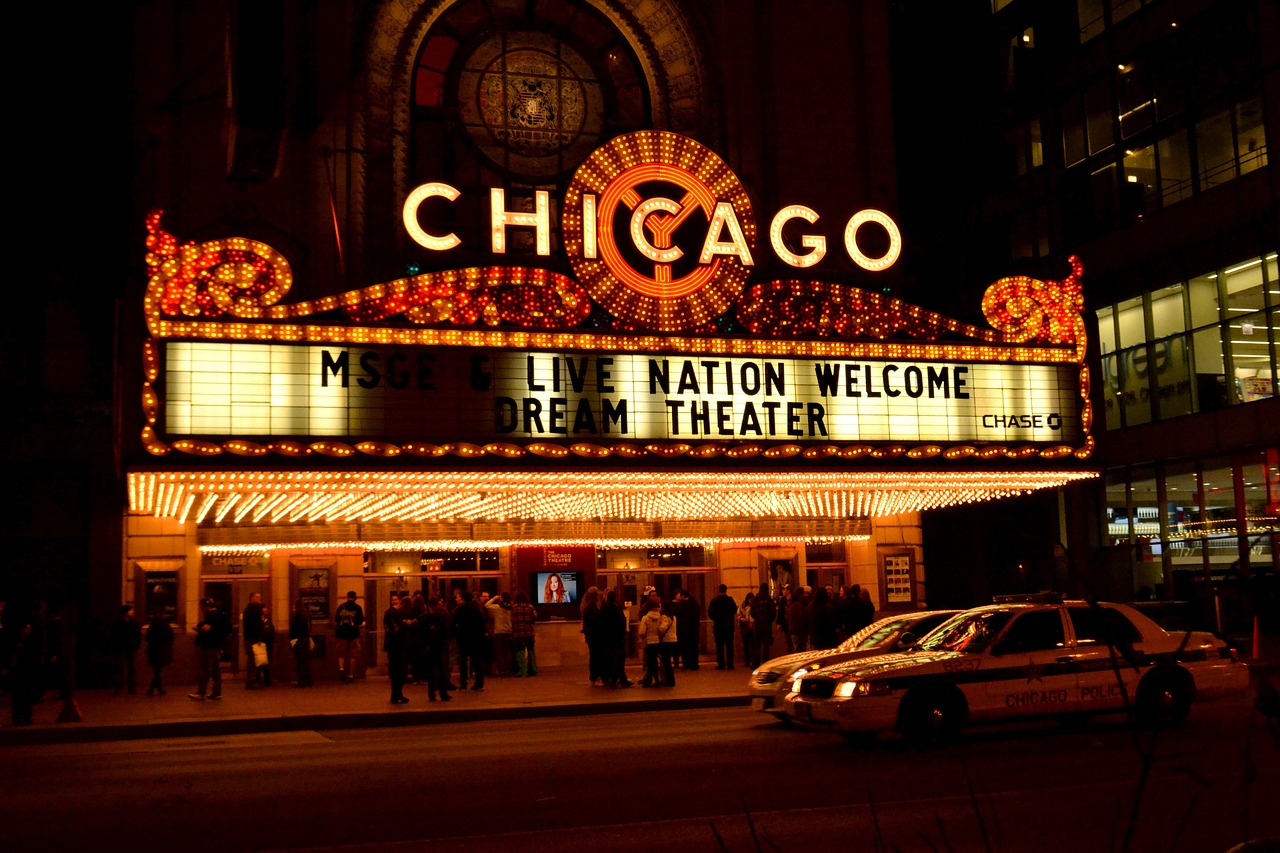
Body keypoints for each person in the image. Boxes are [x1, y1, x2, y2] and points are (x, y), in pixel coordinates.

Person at [190, 597, 230, 700]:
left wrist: (198, 628)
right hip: (218, 646)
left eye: (201, 607)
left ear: (205, 606)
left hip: (209, 647)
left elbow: (206, 629)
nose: (201, 609)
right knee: (216, 670)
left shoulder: (210, 616)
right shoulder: (222, 615)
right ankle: (217, 692)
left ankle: (201, 692)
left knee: (204, 669)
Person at [451, 590, 486, 691]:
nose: (456, 599)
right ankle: (479, 684)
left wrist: (453, 634)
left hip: (463, 639)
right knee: (477, 661)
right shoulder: (476, 609)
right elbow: (481, 624)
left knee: (463, 662)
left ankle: (463, 683)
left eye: (458, 597)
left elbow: (453, 624)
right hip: (476, 639)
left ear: (463, 599)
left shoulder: (459, 610)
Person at [598, 589, 631, 688]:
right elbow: (621, 623)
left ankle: (620, 680)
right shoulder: (617, 609)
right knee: (619, 660)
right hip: (617, 638)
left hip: (608, 638)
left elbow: (602, 624)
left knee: (614, 660)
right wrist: (623, 634)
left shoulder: (604, 609)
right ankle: (617, 680)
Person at [421, 596, 452, 701]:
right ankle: (433, 693)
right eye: (438, 603)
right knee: (432, 671)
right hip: (431, 646)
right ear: (433, 605)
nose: (440, 605)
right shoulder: (426, 617)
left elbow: (445, 630)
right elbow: (422, 633)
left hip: (438, 646)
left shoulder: (439, 616)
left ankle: (441, 693)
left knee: (441, 670)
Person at [108, 604, 142, 695]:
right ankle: (119, 687)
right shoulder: (118, 622)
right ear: (126, 612)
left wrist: (137, 644)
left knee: (131, 668)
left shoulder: (134, 622)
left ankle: (131, 688)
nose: (133, 612)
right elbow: (114, 635)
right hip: (121, 647)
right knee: (120, 668)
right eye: (131, 610)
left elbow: (138, 634)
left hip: (131, 647)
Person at [334, 590, 364, 683]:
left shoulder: (341, 607)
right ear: (355, 598)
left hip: (341, 633)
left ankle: (342, 669)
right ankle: (351, 674)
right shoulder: (358, 608)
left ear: (347, 597)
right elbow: (360, 621)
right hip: (353, 633)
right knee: (353, 654)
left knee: (341, 652)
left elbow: (336, 619)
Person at [638, 596, 669, 687]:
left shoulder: (645, 618)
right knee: (654, 661)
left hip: (649, 642)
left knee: (650, 662)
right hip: (657, 641)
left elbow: (642, 631)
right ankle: (654, 679)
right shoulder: (660, 617)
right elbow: (662, 629)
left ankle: (652, 680)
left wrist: (642, 637)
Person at [384, 593, 408, 704]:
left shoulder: (392, 613)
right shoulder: (392, 613)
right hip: (396, 647)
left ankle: (397, 694)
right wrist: (402, 625)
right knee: (398, 672)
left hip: (395, 646)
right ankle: (396, 695)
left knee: (398, 672)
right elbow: (391, 628)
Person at [707, 584, 737, 670]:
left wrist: (716, 618)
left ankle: (721, 663)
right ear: (726, 590)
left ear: (718, 590)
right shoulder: (730, 600)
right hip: (729, 626)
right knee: (729, 645)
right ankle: (730, 663)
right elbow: (734, 610)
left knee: (719, 646)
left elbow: (710, 613)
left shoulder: (714, 601)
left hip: (718, 626)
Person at [144, 612, 174, 695]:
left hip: (153, 650)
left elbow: (147, 637)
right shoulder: (166, 626)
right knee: (158, 670)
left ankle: (153, 688)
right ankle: (156, 688)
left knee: (157, 670)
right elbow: (171, 637)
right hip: (162, 650)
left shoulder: (152, 626)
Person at [241, 592, 265, 690]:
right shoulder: (253, 611)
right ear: (252, 598)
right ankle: (250, 682)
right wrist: (259, 637)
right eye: (257, 597)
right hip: (253, 639)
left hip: (250, 638)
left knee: (253, 660)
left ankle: (251, 680)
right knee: (253, 660)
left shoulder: (250, 610)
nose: (259, 598)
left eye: (260, 597)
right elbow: (255, 626)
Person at [511, 591, 538, 676]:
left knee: (520, 652)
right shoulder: (530, 607)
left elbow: (511, 619)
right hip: (529, 632)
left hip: (518, 633)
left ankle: (522, 671)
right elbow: (535, 617)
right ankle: (533, 669)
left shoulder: (514, 607)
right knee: (531, 651)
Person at [750, 583, 776, 667]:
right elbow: (773, 613)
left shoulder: (755, 599)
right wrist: (769, 620)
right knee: (766, 644)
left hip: (757, 624)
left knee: (756, 645)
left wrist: (757, 618)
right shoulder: (769, 600)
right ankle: (765, 662)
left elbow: (752, 612)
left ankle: (755, 663)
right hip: (766, 624)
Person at [486, 591, 512, 676]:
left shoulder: (497, 608)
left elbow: (486, 606)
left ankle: (501, 670)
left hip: (499, 632)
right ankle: (508, 669)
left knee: (499, 652)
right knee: (507, 652)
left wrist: (494, 598)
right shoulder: (512, 607)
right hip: (509, 632)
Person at [289, 598, 313, 687]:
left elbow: (294, 628)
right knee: (306, 661)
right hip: (306, 638)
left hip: (298, 639)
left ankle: (301, 681)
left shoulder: (297, 615)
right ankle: (308, 680)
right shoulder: (306, 614)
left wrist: (291, 639)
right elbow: (309, 626)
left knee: (299, 661)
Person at [580, 586, 602, 684]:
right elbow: (597, 620)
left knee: (593, 655)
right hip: (595, 635)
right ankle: (595, 676)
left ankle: (594, 676)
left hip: (590, 635)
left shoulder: (586, 606)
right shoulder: (592, 607)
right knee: (596, 656)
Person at [675, 589, 700, 671]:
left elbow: (677, 615)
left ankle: (686, 664)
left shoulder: (680, 605)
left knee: (684, 648)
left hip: (683, 630)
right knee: (693, 647)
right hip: (694, 629)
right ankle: (694, 664)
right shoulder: (694, 603)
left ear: (682, 596)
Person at [658, 597, 679, 687]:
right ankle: (670, 680)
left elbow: (662, 628)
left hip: (666, 641)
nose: (659, 608)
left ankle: (670, 680)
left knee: (666, 661)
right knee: (667, 661)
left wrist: (657, 630)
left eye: (660, 606)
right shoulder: (673, 617)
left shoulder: (664, 617)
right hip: (673, 639)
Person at [788, 587, 810, 653]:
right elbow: (801, 619)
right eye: (803, 594)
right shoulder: (797, 605)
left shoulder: (793, 604)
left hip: (795, 631)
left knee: (797, 649)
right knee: (799, 650)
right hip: (799, 632)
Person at [259, 605, 277, 686]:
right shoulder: (258, 620)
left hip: (268, 643)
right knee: (259, 661)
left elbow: (271, 631)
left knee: (267, 661)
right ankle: (259, 678)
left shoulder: (269, 620)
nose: (265, 613)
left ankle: (267, 678)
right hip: (260, 643)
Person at [738, 592, 756, 668]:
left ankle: (752, 660)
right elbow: (739, 615)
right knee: (746, 645)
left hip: (752, 626)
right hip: (745, 627)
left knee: (752, 645)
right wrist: (742, 619)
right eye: (750, 599)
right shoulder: (742, 606)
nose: (750, 601)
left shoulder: (755, 606)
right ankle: (747, 660)